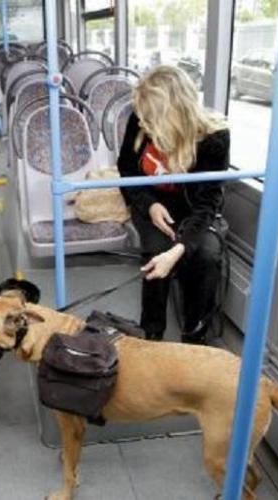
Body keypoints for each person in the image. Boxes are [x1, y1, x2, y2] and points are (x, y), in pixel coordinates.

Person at [117, 65, 229, 344]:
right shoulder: (140, 118)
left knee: (207, 256)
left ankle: (194, 337)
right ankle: (152, 334)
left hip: (194, 212)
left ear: (172, 115)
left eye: (150, 120)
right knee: (155, 250)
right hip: (153, 203)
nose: (142, 125)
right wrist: (150, 205)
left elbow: (207, 204)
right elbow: (127, 170)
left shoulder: (215, 139)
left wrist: (179, 248)